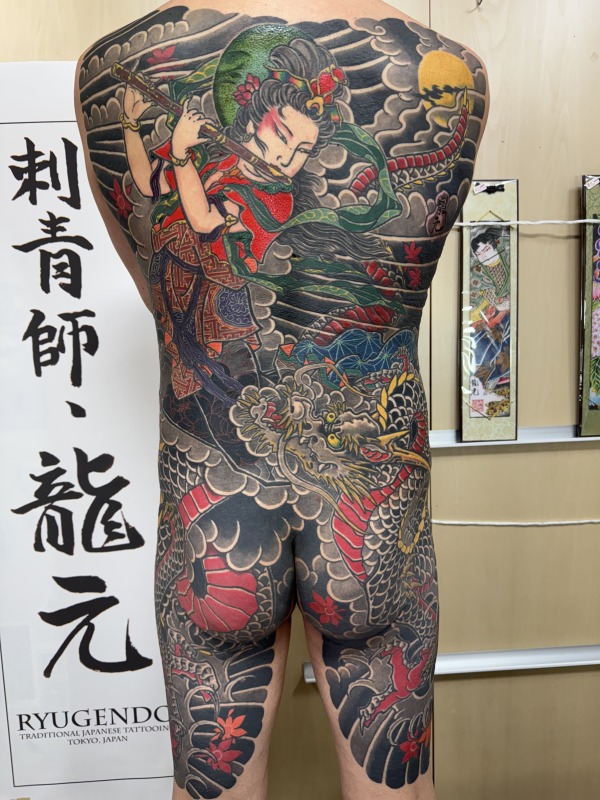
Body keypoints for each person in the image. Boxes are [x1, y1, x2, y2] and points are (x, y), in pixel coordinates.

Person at [76, 2, 488, 798]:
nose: (293, 159)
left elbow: (164, 275)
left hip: (213, 504)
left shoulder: (105, 67)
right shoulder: (455, 73)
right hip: (368, 500)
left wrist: (176, 152)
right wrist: (157, 140)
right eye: (284, 140)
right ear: (255, 108)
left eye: (304, 148)